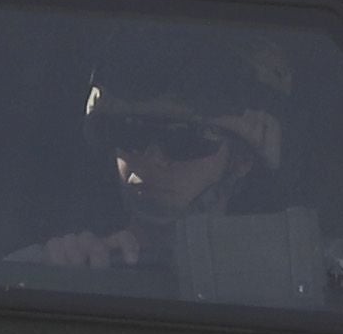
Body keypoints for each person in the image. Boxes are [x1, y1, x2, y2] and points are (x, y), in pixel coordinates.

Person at [21, 71, 292, 276]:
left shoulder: (294, 277)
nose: (154, 159)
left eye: (184, 140)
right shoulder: (65, 267)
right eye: (130, 132)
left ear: (240, 160)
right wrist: (51, 279)